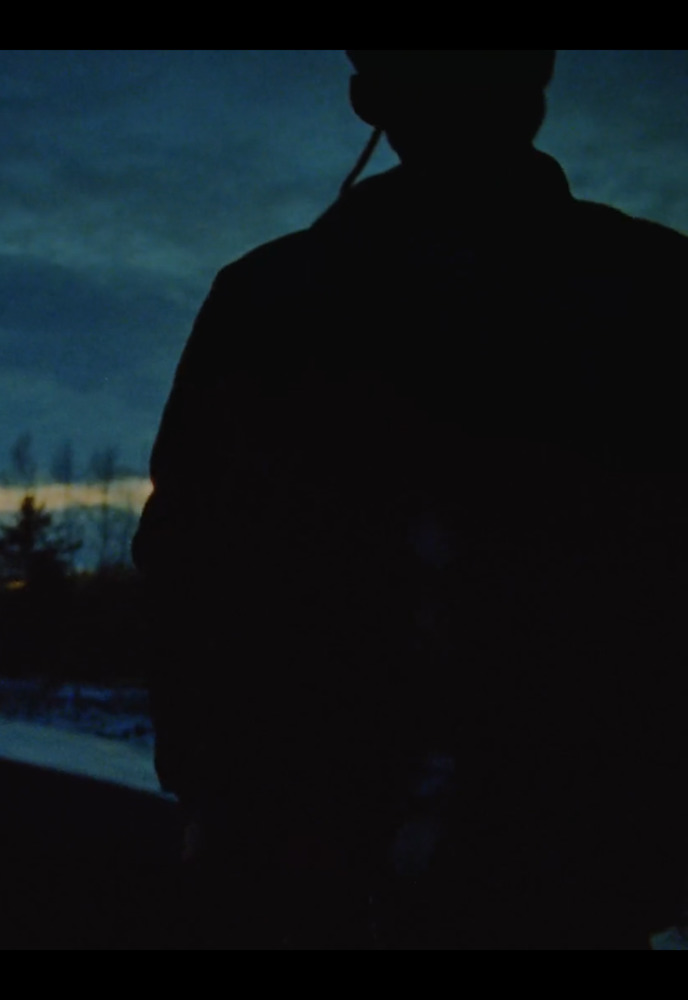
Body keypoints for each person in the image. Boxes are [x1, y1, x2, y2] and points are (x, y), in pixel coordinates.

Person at [133, 51, 688, 948]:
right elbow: (190, 571)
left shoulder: (272, 301)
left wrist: (217, 798)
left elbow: (187, 575)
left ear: (374, 99)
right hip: (533, 869)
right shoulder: (656, 290)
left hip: (393, 864)